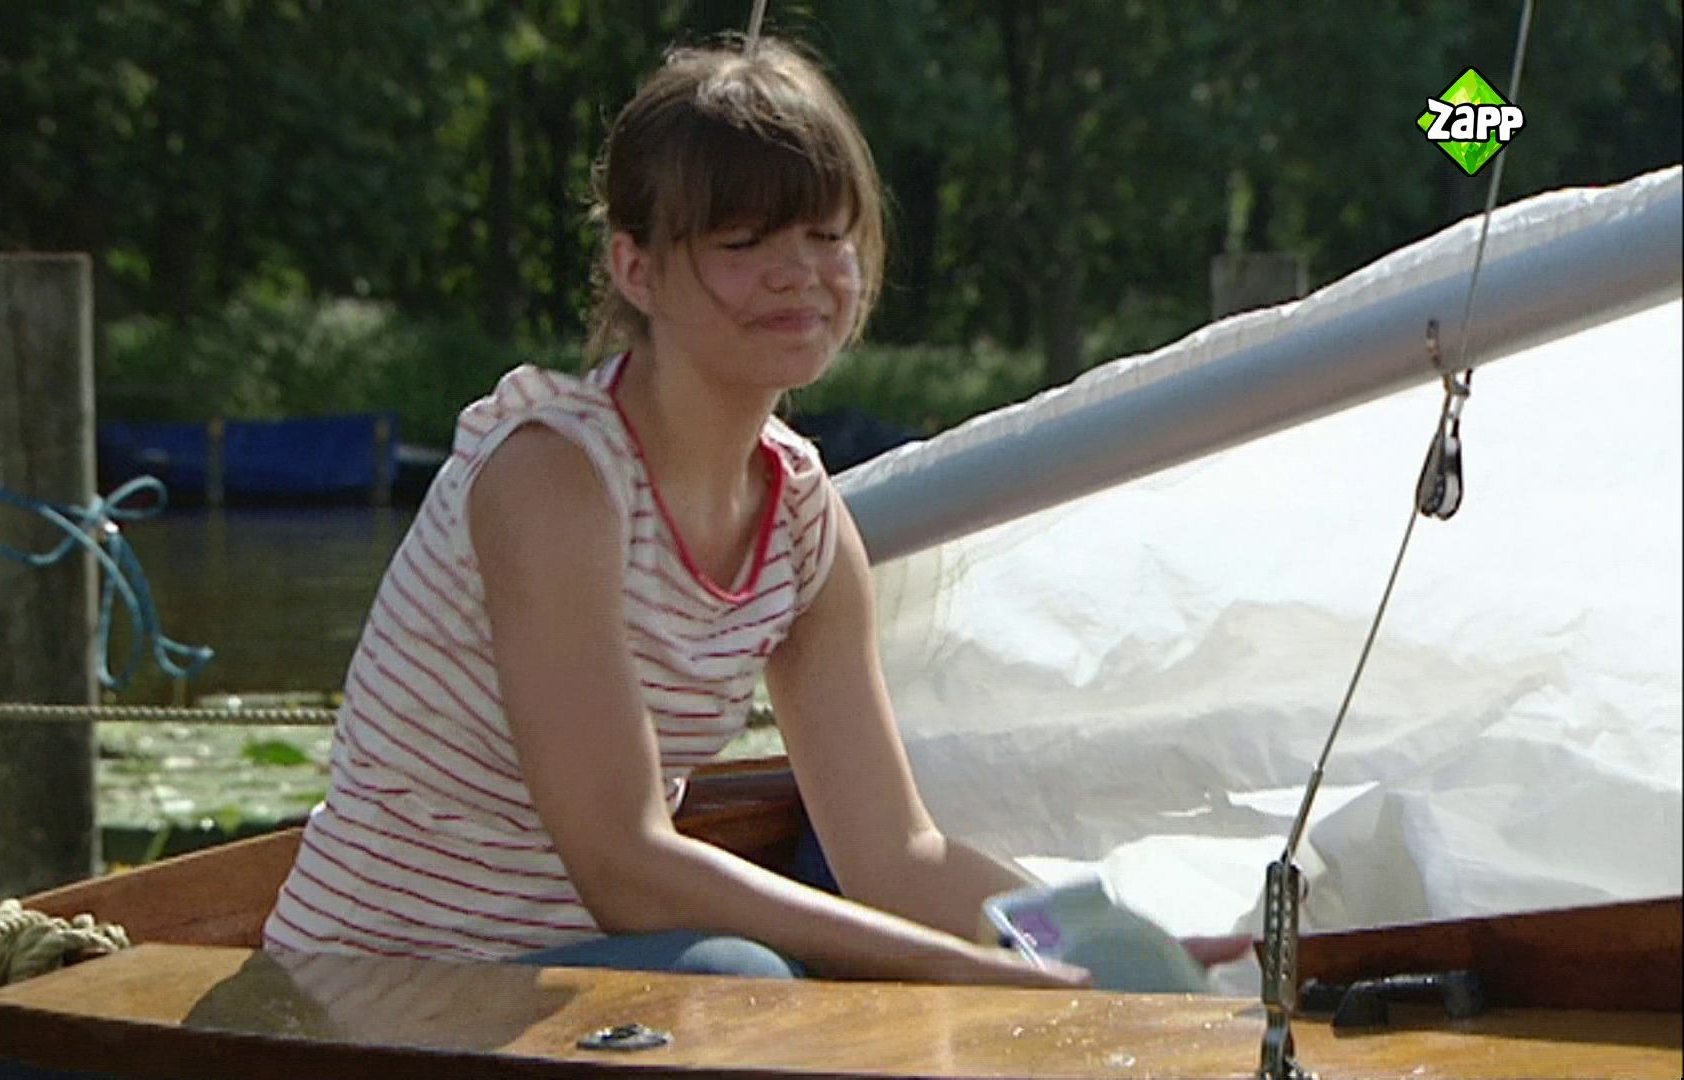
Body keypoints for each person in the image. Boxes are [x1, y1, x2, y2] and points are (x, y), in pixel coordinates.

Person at [264, 35, 1238, 988]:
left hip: (576, 996)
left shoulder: (804, 520)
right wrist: (955, 966)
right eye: (743, 243)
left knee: (767, 978)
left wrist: (1095, 946)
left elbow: (895, 854)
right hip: (362, 991)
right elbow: (623, 866)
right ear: (636, 269)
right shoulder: (553, 477)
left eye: (827, 237)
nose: (798, 272)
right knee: (741, 978)